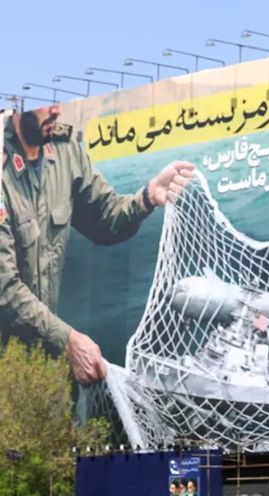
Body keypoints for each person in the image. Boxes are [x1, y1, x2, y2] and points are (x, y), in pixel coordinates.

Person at [1, 104, 194, 383]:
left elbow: (105, 218)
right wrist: (68, 340)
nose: (56, 110)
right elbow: (5, 287)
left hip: (41, 360)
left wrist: (147, 198)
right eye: (46, 101)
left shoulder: (65, 151)